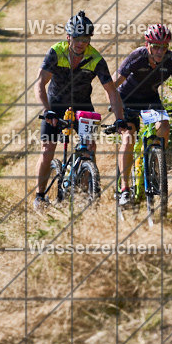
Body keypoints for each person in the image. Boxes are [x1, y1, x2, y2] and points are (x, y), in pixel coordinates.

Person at [35, 11, 127, 211]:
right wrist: (47, 110)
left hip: (83, 106)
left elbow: (111, 91)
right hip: (56, 104)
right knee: (48, 149)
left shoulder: (95, 58)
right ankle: (40, 196)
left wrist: (120, 119)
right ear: (69, 37)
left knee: (89, 148)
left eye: (85, 39)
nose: (81, 43)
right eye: (77, 38)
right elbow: (40, 84)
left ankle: (86, 192)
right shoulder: (56, 52)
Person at [114, 23, 172, 207]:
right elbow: (113, 83)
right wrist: (115, 106)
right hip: (126, 99)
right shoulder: (136, 57)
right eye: (156, 46)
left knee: (164, 127)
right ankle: (125, 190)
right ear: (147, 44)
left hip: (150, 99)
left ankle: (154, 161)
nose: (160, 51)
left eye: (164, 47)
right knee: (128, 137)